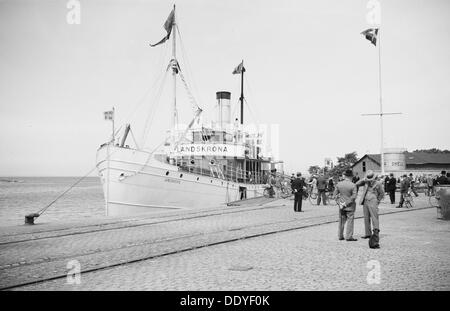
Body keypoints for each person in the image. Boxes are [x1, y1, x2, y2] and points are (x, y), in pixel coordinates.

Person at [356, 170, 384, 248]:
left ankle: (375, 234)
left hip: (373, 200)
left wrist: (377, 201)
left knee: (374, 218)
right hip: (365, 201)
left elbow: (382, 193)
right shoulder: (365, 182)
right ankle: (368, 234)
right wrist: (363, 179)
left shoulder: (378, 183)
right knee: (366, 218)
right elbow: (356, 184)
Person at [334, 169, 358, 241]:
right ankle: (348, 236)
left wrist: (340, 203)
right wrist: (346, 203)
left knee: (341, 221)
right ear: (351, 176)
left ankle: (340, 235)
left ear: (345, 176)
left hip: (341, 206)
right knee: (350, 221)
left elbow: (334, 195)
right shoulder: (353, 185)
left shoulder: (339, 184)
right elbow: (354, 197)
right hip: (350, 206)